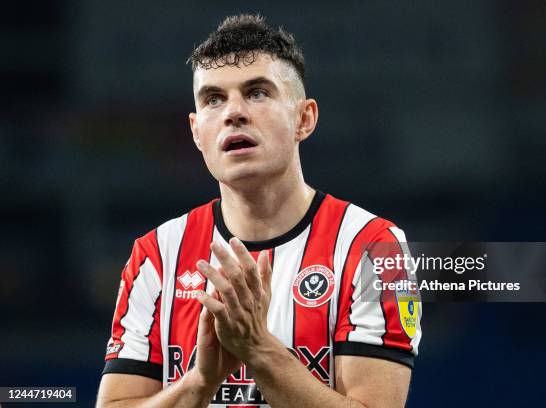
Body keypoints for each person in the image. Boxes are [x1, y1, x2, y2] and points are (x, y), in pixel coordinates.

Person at [96, 14, 422, 408]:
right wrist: (201, 382)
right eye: (214, 99)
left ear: (304, 119)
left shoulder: (377, 247)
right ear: (197, 131)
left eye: (257, 93)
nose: (234, 112)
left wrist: (258, 350)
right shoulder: (154, 255)